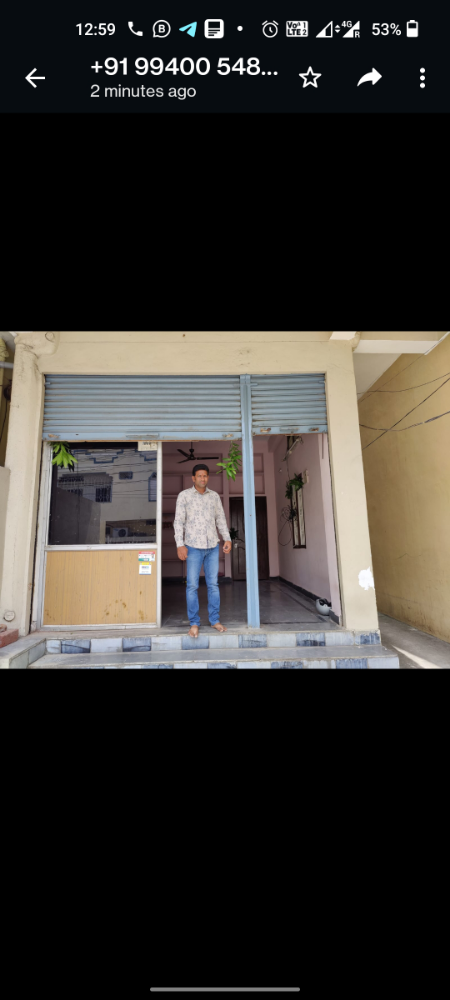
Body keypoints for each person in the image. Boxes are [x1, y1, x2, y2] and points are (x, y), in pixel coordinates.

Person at [174, 463, 232, 638]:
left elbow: (220, 519)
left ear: (208, 477)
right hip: (192, 547)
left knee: (213, 585)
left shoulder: (214, 496)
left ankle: (214, 620)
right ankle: (194, 623)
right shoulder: (184, 496)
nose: (202, 478)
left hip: (212, 546)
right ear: (193, 478)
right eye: (199, 475)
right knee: (192, 585)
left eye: (205, 475)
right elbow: (179, 522)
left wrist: (227, 538)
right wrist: (179, 544)